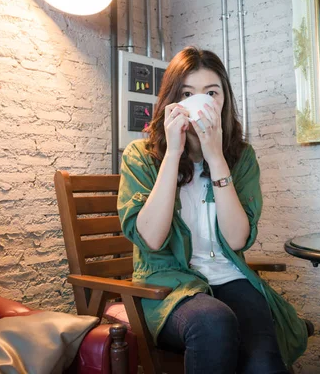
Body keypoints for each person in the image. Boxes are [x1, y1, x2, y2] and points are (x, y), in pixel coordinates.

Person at [117, 46, 308, 374]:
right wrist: (174, 152)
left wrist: (216, 157)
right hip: (167, 285)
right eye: (187, 93)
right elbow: (150, 238)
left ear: (223, 101)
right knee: (214, 322)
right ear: (171, 101)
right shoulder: (141, 156)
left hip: (228, 275)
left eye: (211, 93)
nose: (199, 101)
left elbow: (235, 240)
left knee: (264, 362)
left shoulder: (241, 157)